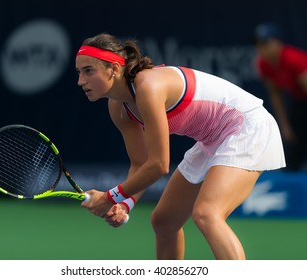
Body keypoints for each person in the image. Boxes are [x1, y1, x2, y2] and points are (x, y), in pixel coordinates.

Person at [75, 33, 285, 260]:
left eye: (89, 71)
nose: (81, 81)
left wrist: (111, 196)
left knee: (207, 214)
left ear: (114, 69)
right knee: (164, 221)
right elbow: (142, 163)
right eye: (79, 72)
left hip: (247, 126)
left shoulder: (148, 86)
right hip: (213, 140)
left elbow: (159, 165)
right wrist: (124, 204)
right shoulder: (118, 108)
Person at [254, 22, 307, 171]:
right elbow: (275, 94)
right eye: (258, 44)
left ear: (278, 42)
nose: (261, 48)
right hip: (298, 102)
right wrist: (284, 125)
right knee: (293, 143)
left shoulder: (294, 59)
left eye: (265, 43)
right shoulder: (264, 64)